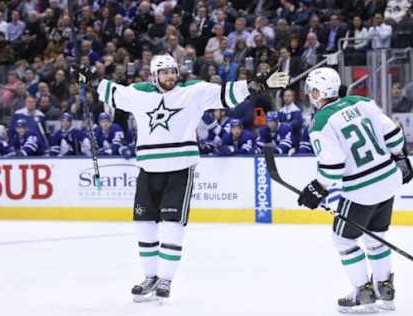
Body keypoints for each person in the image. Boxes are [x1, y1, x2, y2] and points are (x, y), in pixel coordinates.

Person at [95, 54, 289, 301]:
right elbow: (111, 92)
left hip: (180, 168)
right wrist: (90, 79)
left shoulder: (193, 91)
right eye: (164, 73)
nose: (170, 77)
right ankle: (150, 277)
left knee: (174, 225)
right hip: (148, 170)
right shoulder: (138, 93)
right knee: (144, 225)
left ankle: (165, 279)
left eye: (173, 71)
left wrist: (255, 85)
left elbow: (226, 93)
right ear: (154, 75)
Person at [297, 67, 412, 313]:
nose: (310, 95)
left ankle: (364, 293)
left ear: (319, 92)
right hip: (389, 180)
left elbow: (332, 167)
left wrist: (317, 189)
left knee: (342, 239)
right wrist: (400, 158)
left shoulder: (321, 121)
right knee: (374, 236)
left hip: (362, 189)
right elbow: (394, 137)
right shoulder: (363, 102)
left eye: (312, 91)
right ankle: (385, 290)